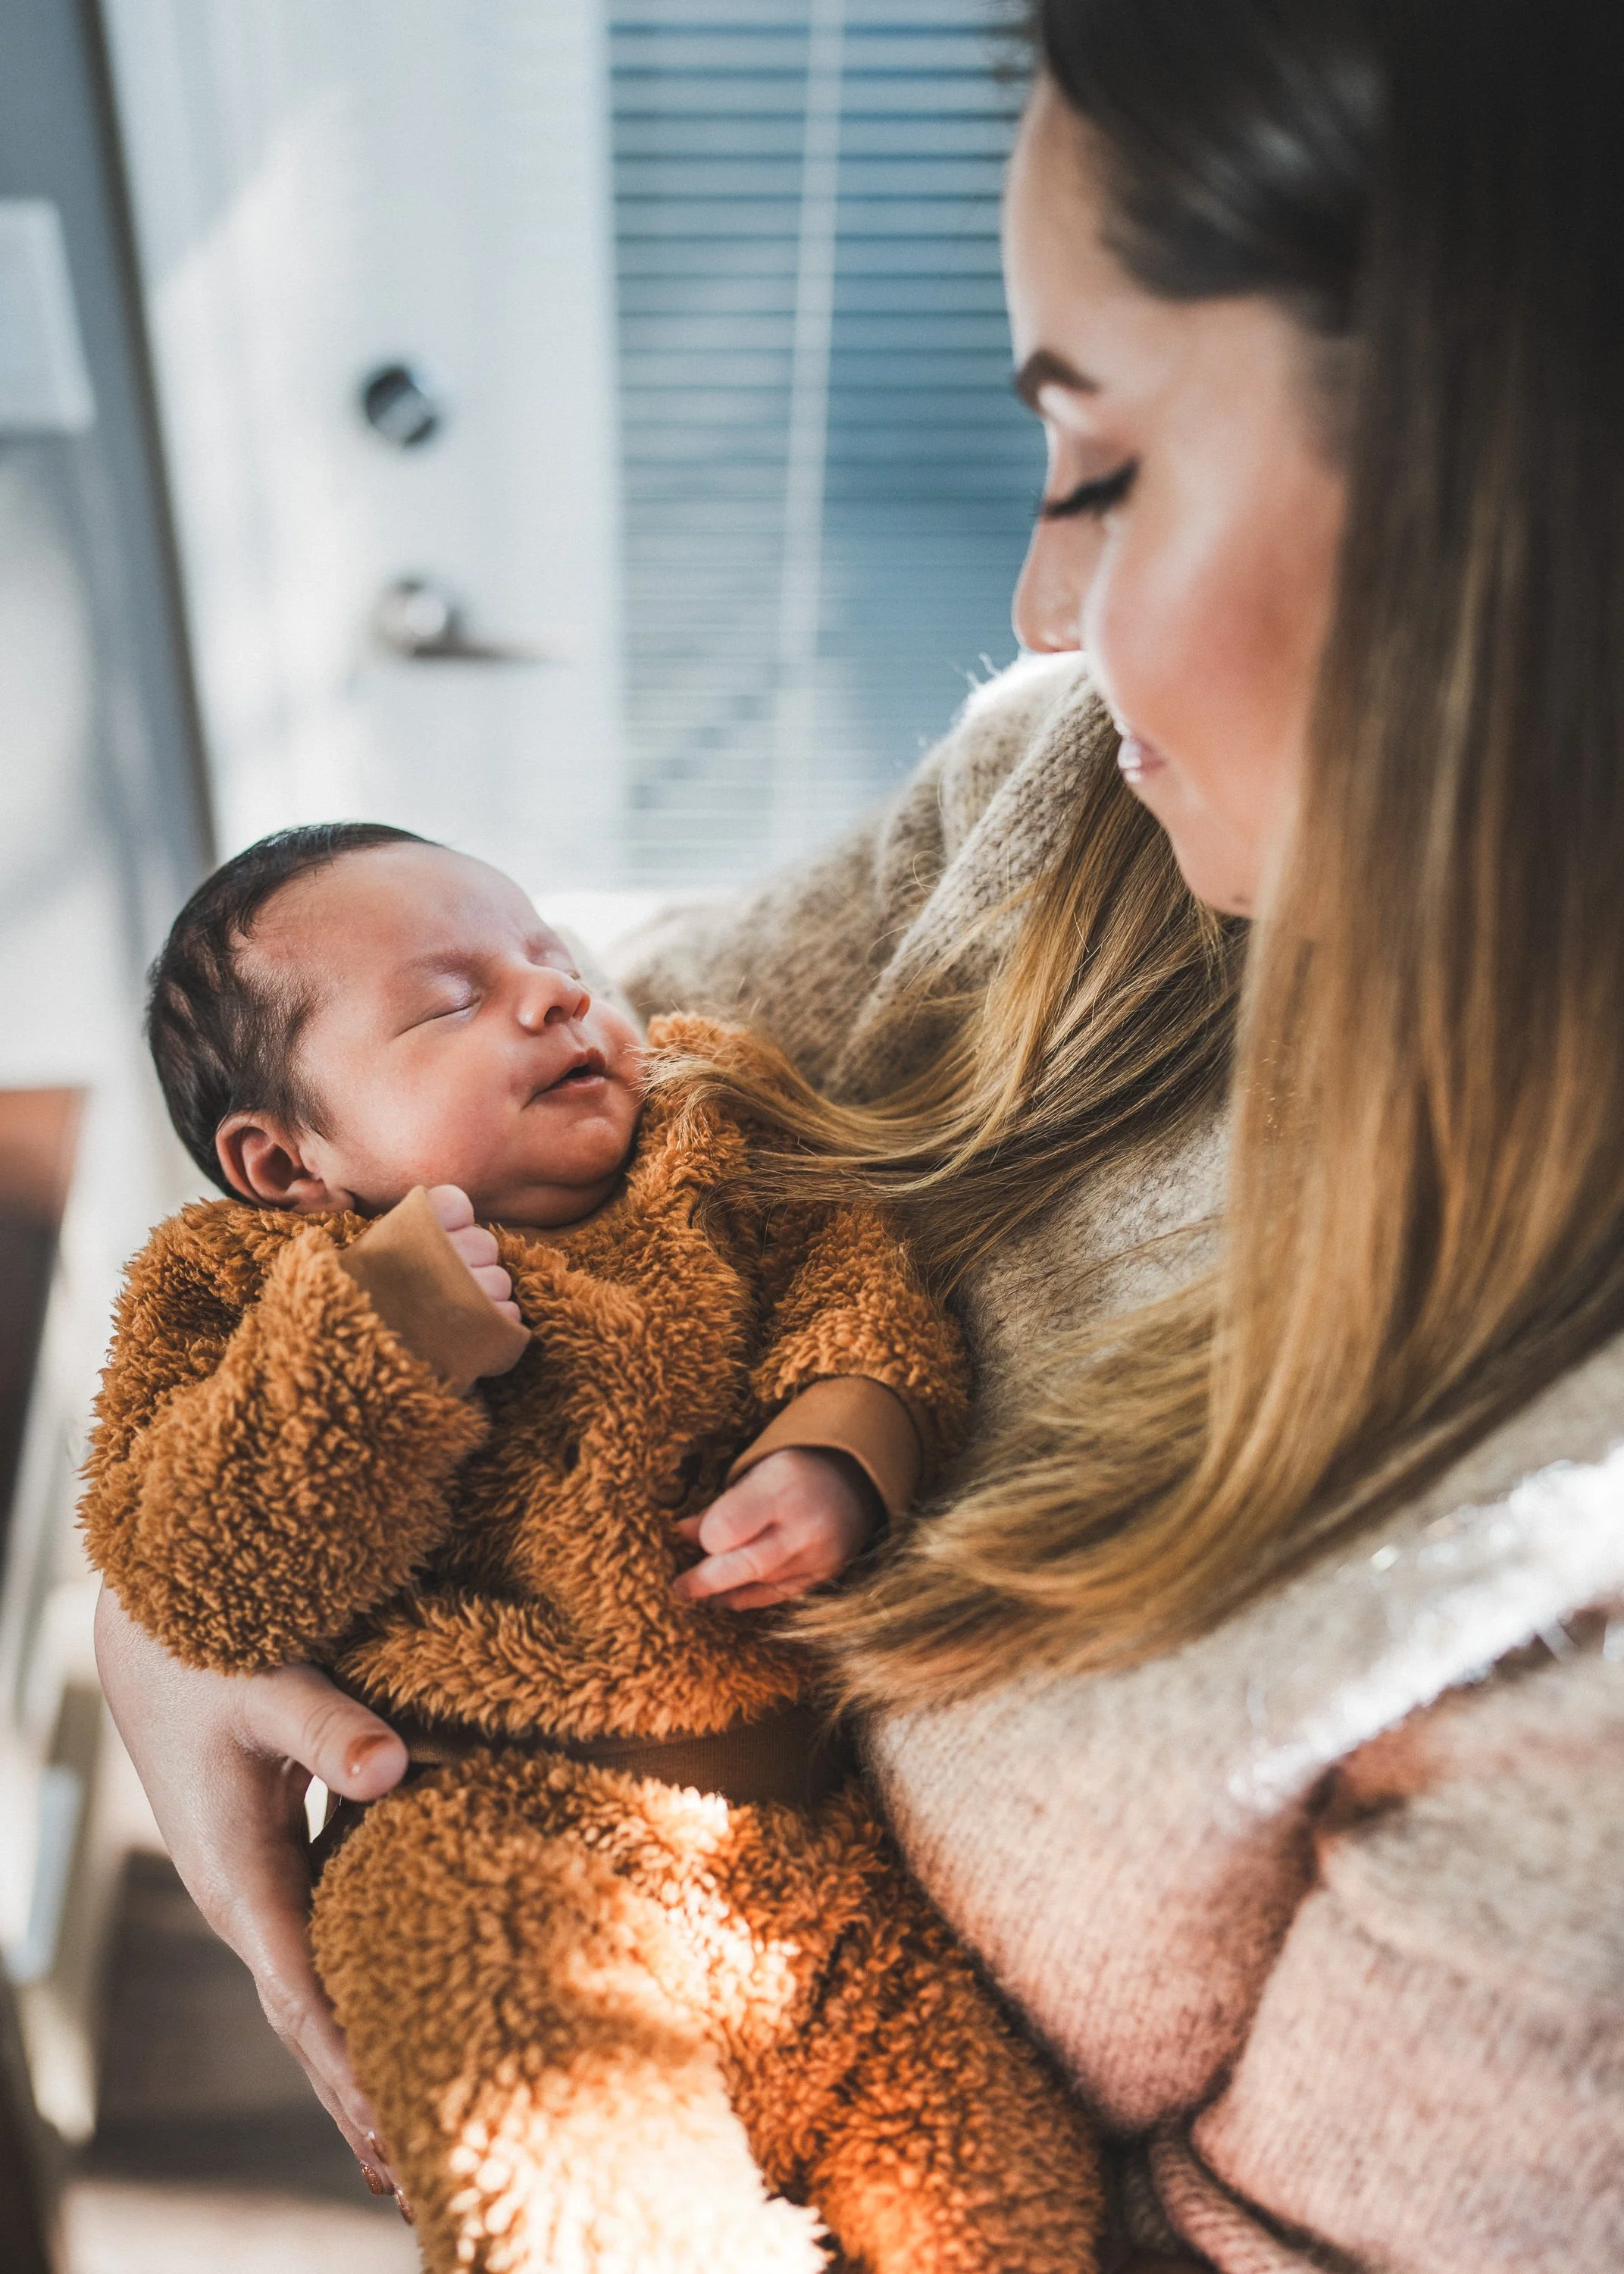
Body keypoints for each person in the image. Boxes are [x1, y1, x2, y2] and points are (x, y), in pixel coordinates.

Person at [95, 1, 1624, 2265]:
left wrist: (838, 1441)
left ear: (1503, 509)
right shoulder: (1068, 803)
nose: (1030, 620)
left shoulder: (1563, 1583)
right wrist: (191, 1622)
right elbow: (408, 1132)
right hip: (499, 1866)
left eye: (1099, 473)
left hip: (837, 1989)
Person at [85, 822, 1101, 2271]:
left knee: (994, 2195)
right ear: (288, 1158)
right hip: (475, 1854)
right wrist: (376, 1344)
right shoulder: (236, 1287)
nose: (555, 999)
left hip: (800, 1858)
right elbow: (196, 1571)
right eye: (450, 1002)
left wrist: (836, 1452)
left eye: (554, 960)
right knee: (577, 2199)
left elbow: (864, 1303)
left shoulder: (712, 1151)